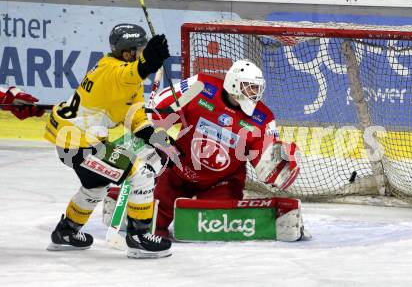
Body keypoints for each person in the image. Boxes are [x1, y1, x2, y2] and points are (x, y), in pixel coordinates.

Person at [44, 23, 177, 259]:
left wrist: (161, 140)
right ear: (127, 53)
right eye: (141, 48)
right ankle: (139, 238)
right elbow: (132, 72)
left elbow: (136, 119)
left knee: (96, 186)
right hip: (80, 145)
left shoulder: (129, 79)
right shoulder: (113, 71)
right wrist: (149, 62)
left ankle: (66, 232)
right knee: (142, 174)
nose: (144, 51)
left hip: (77, 141)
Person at [148, 59, 301, 237]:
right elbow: (161, 108)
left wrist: (279, 166)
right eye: (250, 87)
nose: (255, 93)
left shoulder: (263, 118)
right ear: (234, 83)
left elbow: (265, 160)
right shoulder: (200, 85)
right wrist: (157, 124)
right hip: (179, 169)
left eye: (257, 88)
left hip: (222, 182)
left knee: (216, 229)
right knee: (151, 224)